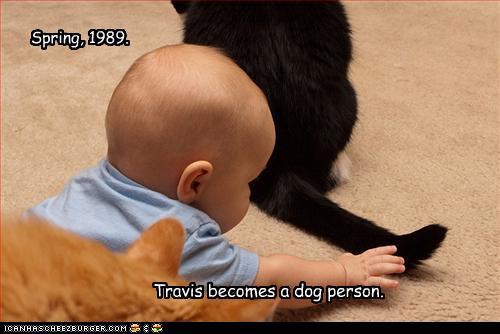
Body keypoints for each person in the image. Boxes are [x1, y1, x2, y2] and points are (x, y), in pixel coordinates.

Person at [25, 44, 405, 309]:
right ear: (194, 183)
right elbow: (274, 282)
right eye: (248, 183)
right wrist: (342, 273)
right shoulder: (183, 242)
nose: (250, 194)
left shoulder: (85, 184)